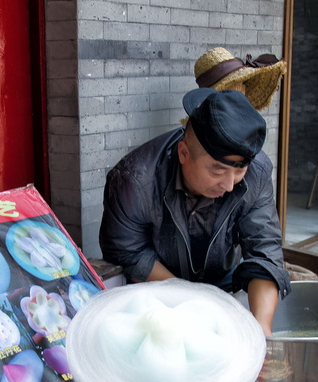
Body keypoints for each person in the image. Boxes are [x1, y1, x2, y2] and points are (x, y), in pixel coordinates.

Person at [99, 87, 291, 336]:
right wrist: (196, 303)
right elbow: (129, 253)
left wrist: (262, 329)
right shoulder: (134, 180)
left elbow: (264, 249)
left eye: (239, 171)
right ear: (183, 153)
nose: (230, 184)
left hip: (224, 289)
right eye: (217, 171)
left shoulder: (258, 171)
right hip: (153, 299)